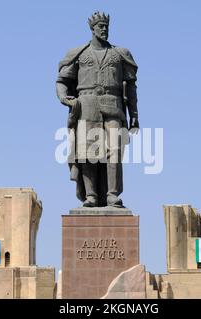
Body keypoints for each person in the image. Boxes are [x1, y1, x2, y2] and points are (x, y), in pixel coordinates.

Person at [56, 11, 139, 208]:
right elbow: (62, 81)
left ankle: (112, 194)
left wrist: (134, 115)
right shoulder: (79, 53)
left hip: (113, 105)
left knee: (114, 151)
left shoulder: (120, 54)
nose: (104, 29)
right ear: (92, 29)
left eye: (106, 27)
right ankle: (91, 195)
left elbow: (131, 88)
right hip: (86, 105)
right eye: (100, 27)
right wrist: (63, 97)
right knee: (88, 153)